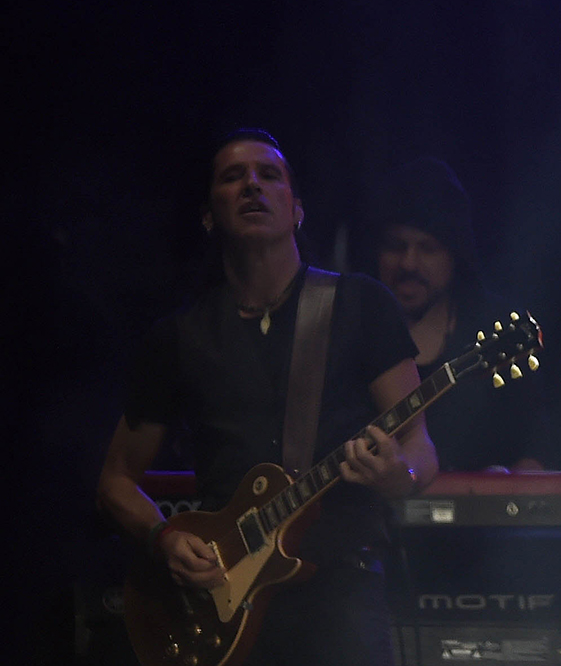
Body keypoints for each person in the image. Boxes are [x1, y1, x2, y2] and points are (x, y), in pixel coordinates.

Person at [96, 129, 437, 666]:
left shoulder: (361, 305)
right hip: (223, 600)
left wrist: (400, 475)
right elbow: (115, 480)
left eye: (269, 174)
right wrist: (163, 538)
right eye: (233, 177)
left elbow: (419, 446)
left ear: (296, 209)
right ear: (209, 215)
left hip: (339, 588)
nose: (252, 184)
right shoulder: (179, 337)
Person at [368, 156, 548, 471]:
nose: (408, 264)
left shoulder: (498, 326)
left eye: (427, 248)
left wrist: (513, 498)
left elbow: (535, 444)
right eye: (396, 246)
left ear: (454, 256)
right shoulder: (352, 323)